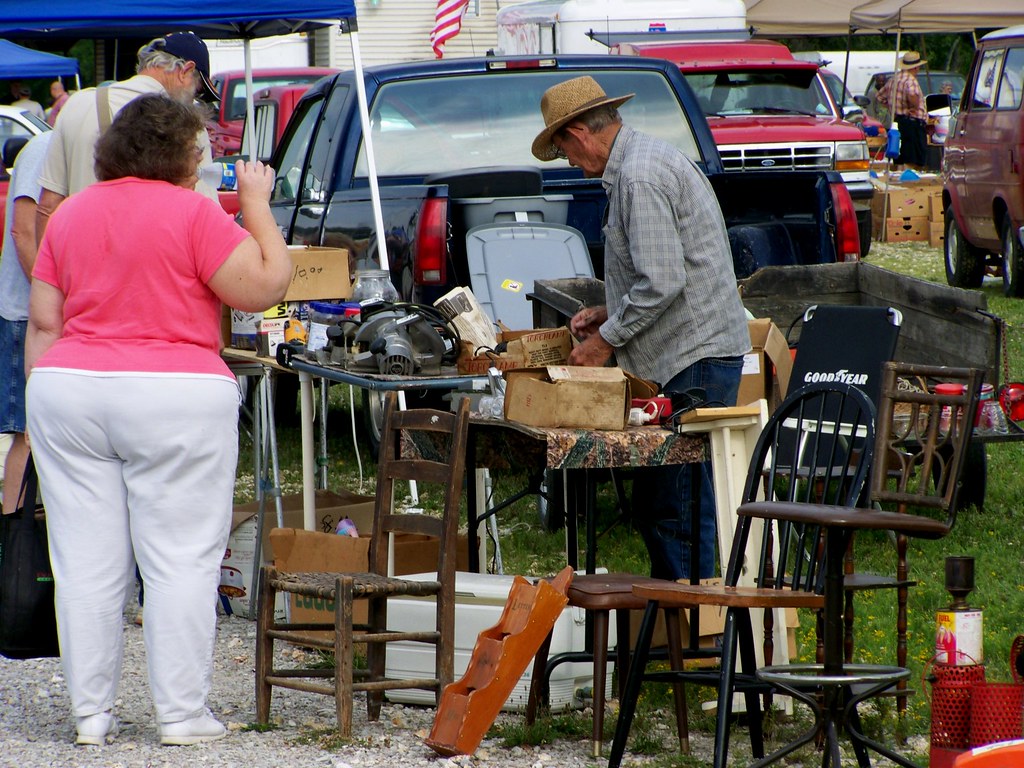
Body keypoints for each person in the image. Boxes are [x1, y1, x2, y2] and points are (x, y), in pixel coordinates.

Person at [24, 94, 292, 747]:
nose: (203, 163)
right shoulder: (195, 213)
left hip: (71, 387)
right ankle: (180, 714)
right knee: (179, 558)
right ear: (178, 155)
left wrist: (41, 399)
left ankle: (90, 715)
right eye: (198, 152)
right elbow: (262, 285)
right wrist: (256, 206)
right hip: (174, 391)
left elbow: (44, 321)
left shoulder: (72, 213)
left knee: (85, 561)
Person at [531, 76, 750, 580]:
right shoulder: (638, 165)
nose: (566, 159)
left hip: (693, 357)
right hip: (689, 353)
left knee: (677, 505)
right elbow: (667, 271)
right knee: (667, 502)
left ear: (582, 132)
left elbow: (663, 282)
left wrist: (603, 343)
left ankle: (695, 631)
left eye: (562, 146)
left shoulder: (639, 176)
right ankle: (683, 625)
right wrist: (609, 310)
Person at [36, 31, 220, 238]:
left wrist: (48, 269)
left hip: (80, 260)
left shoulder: (77, 104)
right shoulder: (186, 124)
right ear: (185, 71)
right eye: (198, 90)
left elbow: (48, 207)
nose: (195, 100)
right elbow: (207, 215)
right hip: (152, 263)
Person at [0, 131, 51, 516]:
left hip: (46, 313)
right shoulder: (46, 149)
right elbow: (21, 230)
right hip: (25, 314)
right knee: (27, 432)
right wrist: (47, 293)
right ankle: (12, 539)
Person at [876, 52, 929, 171]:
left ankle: (899, 177)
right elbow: (912, 95)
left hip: (898, 120)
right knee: (913, 158)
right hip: (913, 122)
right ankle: (908, 180)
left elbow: (879, 96)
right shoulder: (911, 80)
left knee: (900, 155)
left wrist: (892, 107)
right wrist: (913, 107)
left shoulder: (894, 79)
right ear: (915, 67)